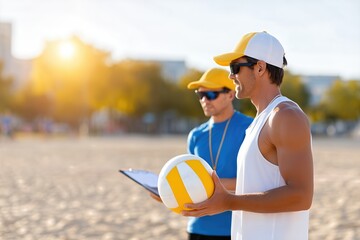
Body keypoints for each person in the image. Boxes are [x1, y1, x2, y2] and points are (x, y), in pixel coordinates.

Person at [182, 32, 314, 240]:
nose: (231, 76)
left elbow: (301, 196)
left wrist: (228, 202)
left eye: (235, 68)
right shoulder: (260, 121)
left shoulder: (285, 116)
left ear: (260, 68)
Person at [151, 68, 253, 240]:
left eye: (212, 94)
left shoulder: (250, 128)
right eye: (200, 95)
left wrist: (209, 186)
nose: (205, 100)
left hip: (236, 228)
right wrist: (168, 192)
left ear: (230, 95)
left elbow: (258, 182)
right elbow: (188, 179)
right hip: (198, 227)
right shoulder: (196, 135)